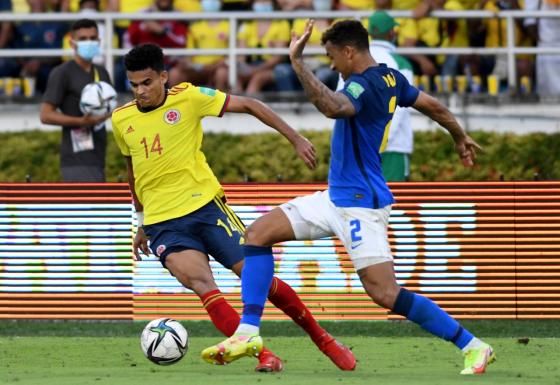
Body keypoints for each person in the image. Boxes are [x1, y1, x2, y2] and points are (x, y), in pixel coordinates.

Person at [203, 19, 495, 376]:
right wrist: (458, 135)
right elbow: (432, 105)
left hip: (360, 204)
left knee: (385, 294)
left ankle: (473, 346)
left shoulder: (362, 85)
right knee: (258, 234)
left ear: (349, 51)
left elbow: (332, 106)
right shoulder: (391, 78)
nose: (331, 64)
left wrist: (297, 63)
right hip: (335, 198)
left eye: (331, 56)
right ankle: (248, 332)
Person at [111, 43, 356, 372]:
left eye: (147, 82)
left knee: (258, 279)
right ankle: (264, 355)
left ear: (164, 77)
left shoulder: (189, 97)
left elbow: (251, 104)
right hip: (163, 223)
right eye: (134, 84)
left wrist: (295, 138)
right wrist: (140, 220)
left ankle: (322, 338)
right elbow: (133, 171)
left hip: (207, 209)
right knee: (203, 285)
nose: (140, 91)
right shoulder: (121, 119)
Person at [40, 18, 111, 182]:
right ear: (72, 44)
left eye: (93, 38)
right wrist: (80, 121)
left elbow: (109, 106)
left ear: (99, 41)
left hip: (99, 156)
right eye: (83, 39)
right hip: (75, 159)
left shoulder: (102, 72)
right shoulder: (62, 73)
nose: (89, 42)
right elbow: (45, 115)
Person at [367, 11, 415, 181]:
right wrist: (381, 144)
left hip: (359, 148)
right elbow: (400, 107)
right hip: (392, 148)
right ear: (392, 33)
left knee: (360, 205)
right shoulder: (401, 63)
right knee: (394, 204)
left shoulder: (352, 60)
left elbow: (339, 103)